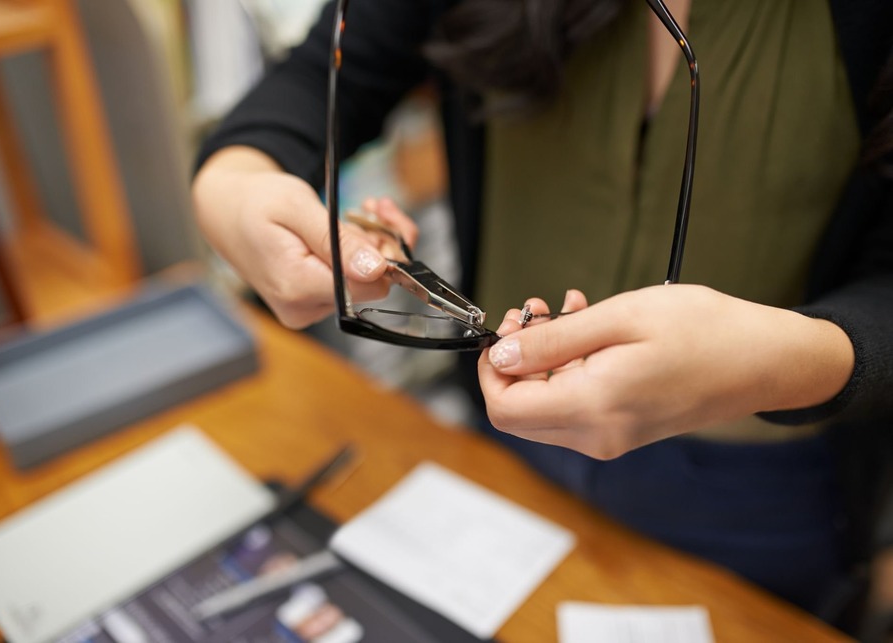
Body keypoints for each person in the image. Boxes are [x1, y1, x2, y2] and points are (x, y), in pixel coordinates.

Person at [192, 0, 893, 623]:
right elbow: (328, 70)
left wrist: (797, 358)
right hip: (509, 438)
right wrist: (236, 180)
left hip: (769, 491)